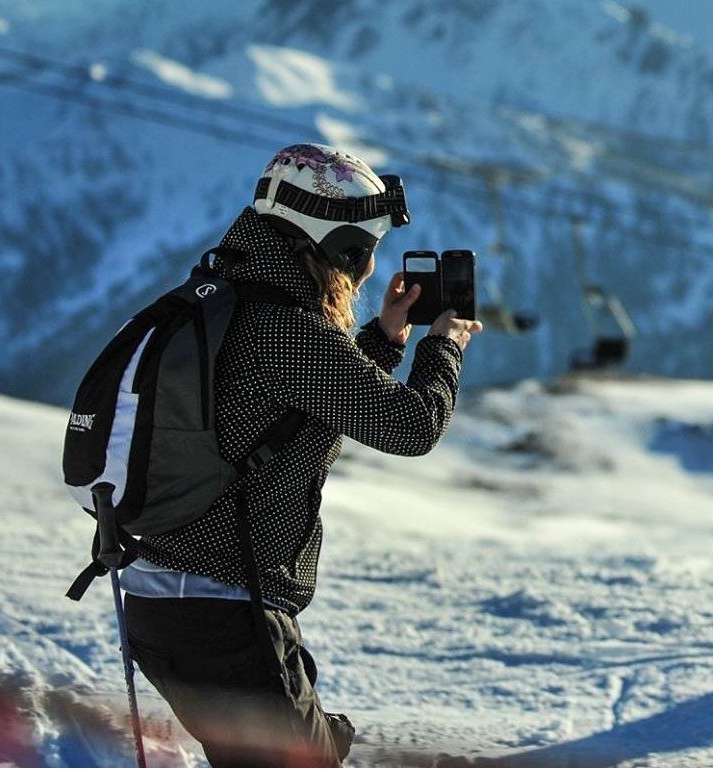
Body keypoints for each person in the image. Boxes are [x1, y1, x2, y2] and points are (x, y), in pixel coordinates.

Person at [121, 144, 482, 766]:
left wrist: (384, 338)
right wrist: (443, 346)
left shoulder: (229, 297)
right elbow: (410, 426)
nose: (367, 270)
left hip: (163, 606)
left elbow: (295, 406)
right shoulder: (285, 325)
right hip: (225, 614)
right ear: (334, 246)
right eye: (362, 248)